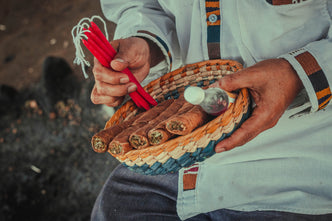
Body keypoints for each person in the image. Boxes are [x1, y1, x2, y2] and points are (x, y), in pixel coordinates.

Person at [90, 0, 332, 220]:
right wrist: (146, 44)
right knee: (113, 208)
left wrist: (295, 74)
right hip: (177, 157)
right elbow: (138, 5)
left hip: (296, 161)